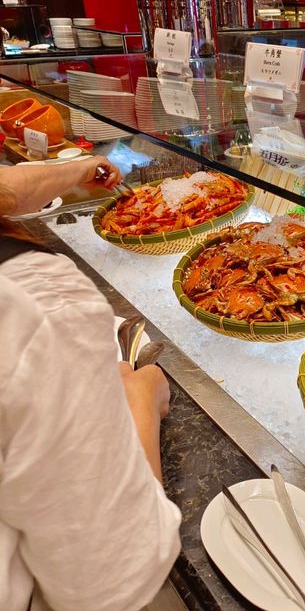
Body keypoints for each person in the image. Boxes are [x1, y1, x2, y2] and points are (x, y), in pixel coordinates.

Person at [0, 156, 181, 611]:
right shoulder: (31, 296)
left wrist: (79, 169)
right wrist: (142, 397)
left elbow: (5, 188)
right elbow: (110, 577)